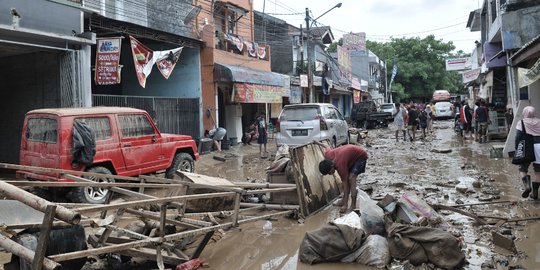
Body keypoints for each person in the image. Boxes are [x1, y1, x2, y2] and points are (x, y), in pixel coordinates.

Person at [315, 141, 369, 213]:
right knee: (346, 180)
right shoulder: (328, 155)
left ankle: (352, 205)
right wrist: (317, 143)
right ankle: (344, 200)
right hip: (350, 156)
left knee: (351, 179)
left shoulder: (340, 165)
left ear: (332, 166)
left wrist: (345, 205)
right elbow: (326, 146)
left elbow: (345, 185)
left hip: (360, 156)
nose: (330, 174)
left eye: (329, 172)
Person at [515, 106, 540, 200]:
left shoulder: (521, 122)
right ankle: (535, 193)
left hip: (527, 146)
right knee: (538, 170)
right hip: (539, 146)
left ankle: (527, 186)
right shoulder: (539, 121)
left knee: (523, 168)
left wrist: (518, 148)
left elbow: (518, 137)